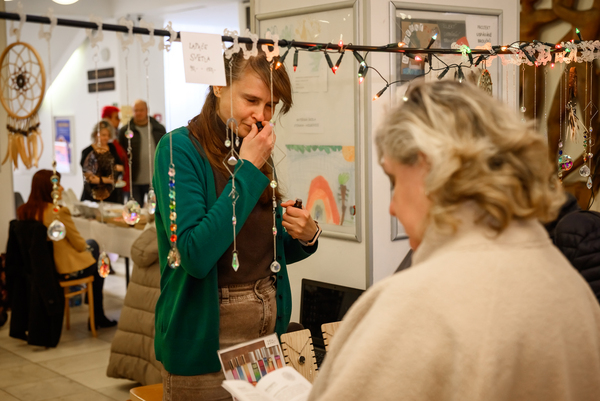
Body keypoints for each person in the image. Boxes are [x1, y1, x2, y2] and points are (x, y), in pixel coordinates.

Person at [308, 81, 600, 401]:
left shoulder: (412, 306)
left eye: (394, 180)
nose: (392, 206)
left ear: (428, 169)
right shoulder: (570, 285)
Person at [153, 49, 320, 400]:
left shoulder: (248, 146)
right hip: (205, 340)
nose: (261, 116)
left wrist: (304, 236)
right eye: (251, 100)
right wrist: (247, 169)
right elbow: (195, 255)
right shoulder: (178, 149)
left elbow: (259, 248)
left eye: (271, 105)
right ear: (218, 86)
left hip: (265, 338)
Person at [17, 169, 117, 328]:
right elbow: (79, 244)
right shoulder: (58, 212)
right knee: (98, 255)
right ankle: (97, 315)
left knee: (94, 249)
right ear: (48, 188)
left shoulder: (25, 211)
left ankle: (95, 312)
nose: (62, 188)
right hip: (63, 268)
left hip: (41, 269)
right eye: (58, 185)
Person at [118, 100, 166, 204]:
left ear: (147, 110)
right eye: (136, 110)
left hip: (155, 179)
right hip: (134, 180)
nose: (138, 113)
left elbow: (165, 151)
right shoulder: (125, 131)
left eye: (141, 110)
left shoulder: (159, 129)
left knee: (156, 209)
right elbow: (120, 154)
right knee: (135, 210)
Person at [80, 120, 124, 204]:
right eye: (103, 135)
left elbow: (121, 166)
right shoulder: (87, 152)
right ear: (95, 134)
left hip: (112, 194)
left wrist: (115, 168)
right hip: (94, 194)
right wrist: (109, 180)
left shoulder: (111, 147)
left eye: (108, 135)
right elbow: (89, 178)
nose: (106, 138)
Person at [102, 105, 130, 197]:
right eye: (116, 118)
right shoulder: (107, 143)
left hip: (118, 183)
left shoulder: (116, 139)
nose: (119, 120)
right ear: (107, 119)